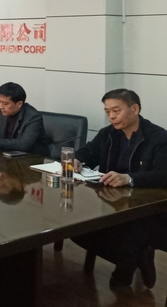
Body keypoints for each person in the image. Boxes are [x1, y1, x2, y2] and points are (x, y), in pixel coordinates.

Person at [70, 89, 167, 289]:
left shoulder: (158, 137)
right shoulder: (108, 134)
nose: (111, 116)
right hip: (112, 200)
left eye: (116, 111)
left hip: (149, 207)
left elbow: (163, 175)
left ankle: (122, 275)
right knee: (77, 226)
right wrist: (77, 160)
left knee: (132, 230)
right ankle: (139, 257)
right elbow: (87, 152)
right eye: (108, 112)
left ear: (135, 109)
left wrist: (129, 178)